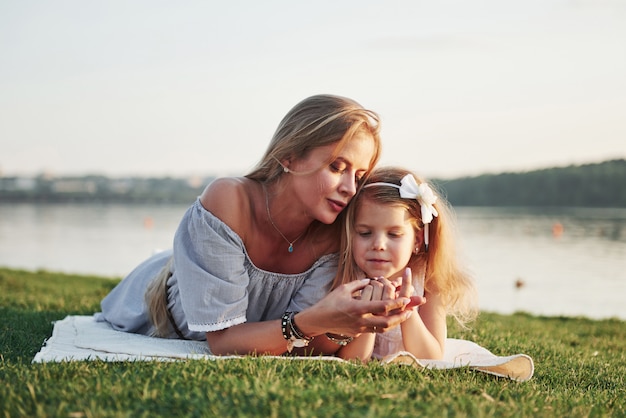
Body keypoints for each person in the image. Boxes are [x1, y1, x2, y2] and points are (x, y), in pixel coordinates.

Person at [96, 94, 415, 356]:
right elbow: (223, 343)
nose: (349, 187)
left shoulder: (334, 232)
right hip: (160, 305)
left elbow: (302, 346)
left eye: (359, 176)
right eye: (337, 167)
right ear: (289, 157)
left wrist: (348, 322)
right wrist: (311, 322)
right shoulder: (229, 200)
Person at [331, 166, 478, 362]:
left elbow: (431, 358)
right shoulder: (351, 277)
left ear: (417, 240)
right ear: (351, 234)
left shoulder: (428, 280)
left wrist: (406, 311)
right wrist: (370, 314)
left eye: (394, 234)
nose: (378, 245)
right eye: (365, 233)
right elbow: (353, 360)